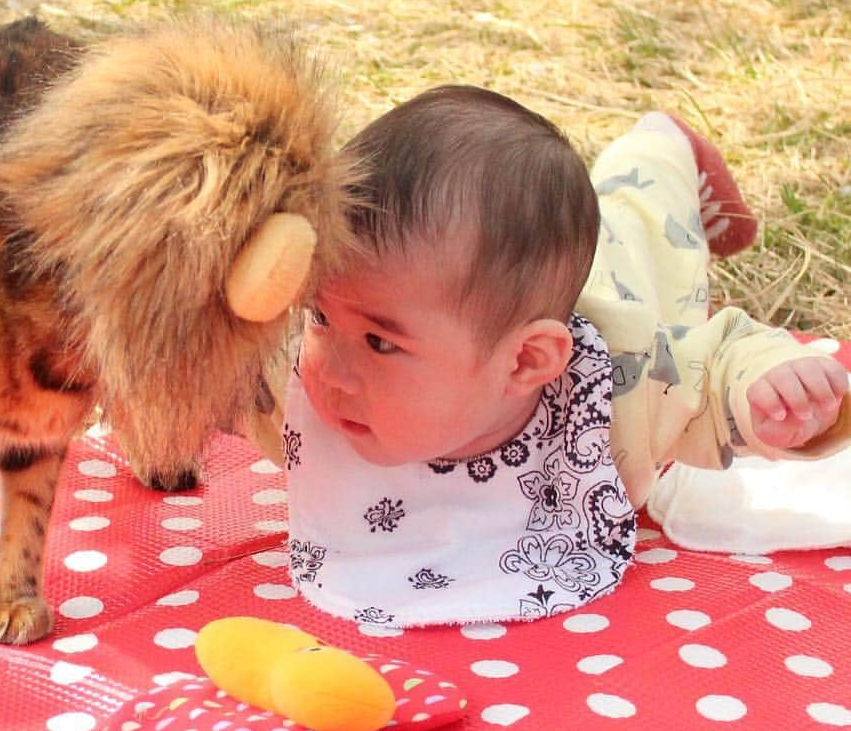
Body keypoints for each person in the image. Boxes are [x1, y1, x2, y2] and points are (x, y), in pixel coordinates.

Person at [278, 87, 850, 626]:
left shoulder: (624, 388)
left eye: (381, 343)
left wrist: (770, 387)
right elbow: (206, 381)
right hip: (506, 292)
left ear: (526, 363)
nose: (328, 372)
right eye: (321, 317)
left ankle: (664, 141)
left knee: (638, 210)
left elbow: (716, 366)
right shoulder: (301, 380)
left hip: (624, 276)